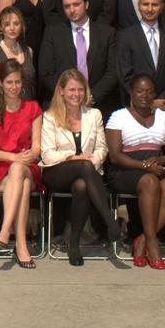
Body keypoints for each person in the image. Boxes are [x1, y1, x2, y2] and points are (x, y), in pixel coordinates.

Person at [39, 69, 126, 265]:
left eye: (80, 89)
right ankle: (110, 222)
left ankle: (74, 244)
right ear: (61, 91)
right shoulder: (50, 116)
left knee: (82, 186)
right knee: (83, 167)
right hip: (56, 171)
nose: (76, 94)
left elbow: (102, 149)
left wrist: (90, 162)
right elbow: (47, 154)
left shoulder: (93, 114)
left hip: (88, 174)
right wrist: (74, 157)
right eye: (71, 90)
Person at [106, 74, 165, 270]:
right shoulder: (118, 116)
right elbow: (114, 156)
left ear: (154, 94)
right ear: (131, 92)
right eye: (139, 91)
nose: (144, 95)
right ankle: (153, 245)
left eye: (149, 91)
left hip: (156, 166)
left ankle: (142, 240)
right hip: (126, 169)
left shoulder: (164, 117)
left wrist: (162, 159)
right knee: (150, 181)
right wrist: (144, 166)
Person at [0, 60, 44, 268]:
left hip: (27, 166)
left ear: (22, 83)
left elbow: (36, 147)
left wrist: (24, 158)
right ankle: (21, 245)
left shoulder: (33, 108)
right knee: (21, 185)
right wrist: (15, 157)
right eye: (9, 82)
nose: (14, 87)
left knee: (19, 172)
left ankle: (5, 230)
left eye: (17, 82)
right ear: (0, 83)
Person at [39, 0, 119, 110]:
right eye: (67, 6)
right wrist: (67, 95)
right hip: (62, 106)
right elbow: (46, 72)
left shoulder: (107, 33)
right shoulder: (52, 33)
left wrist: (91, 96)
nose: (71, 10)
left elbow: (113, 72)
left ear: (86, 4)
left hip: (98, 106)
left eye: (76, 4)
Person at [115, 0, 165, 111]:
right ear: (139, 6)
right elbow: (124, 75)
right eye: (145, 4)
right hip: (136, 108)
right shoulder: (125, 36)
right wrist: (148, 100)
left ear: (161, 7)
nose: (149, 9)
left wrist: (163, 99)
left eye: (154, 5)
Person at [0, 6, 36, 103]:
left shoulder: (28, 51)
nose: (12, 28)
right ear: (0, 27)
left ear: (21, 26)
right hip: (5, 110)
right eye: (7, 24)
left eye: (16, 24)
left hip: (28, 108)